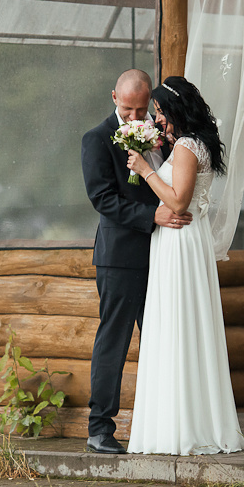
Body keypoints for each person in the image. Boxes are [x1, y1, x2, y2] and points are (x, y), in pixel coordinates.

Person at [125, 75, 244, 456]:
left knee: (178, 326)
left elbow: (178, 203)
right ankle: (183, 419)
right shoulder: (193, 144)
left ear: (176, 110)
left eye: (160, 112)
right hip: (180, 242)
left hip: (179, 240)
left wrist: (145, 170)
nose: (158, 120)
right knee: (180, 326)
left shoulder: (189, 147)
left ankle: (182, 427)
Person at [80, 69, 193, 454]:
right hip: (120, 257)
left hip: (163, 256)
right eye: (127, 109)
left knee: (162, 339)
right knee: (114, 339)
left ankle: (162, 425)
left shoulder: (163, 134)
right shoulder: (96, 139)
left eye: (141, 110)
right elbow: (102, 199)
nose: (133, 118)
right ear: (114, 97)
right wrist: (152, 217)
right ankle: (99, 429)